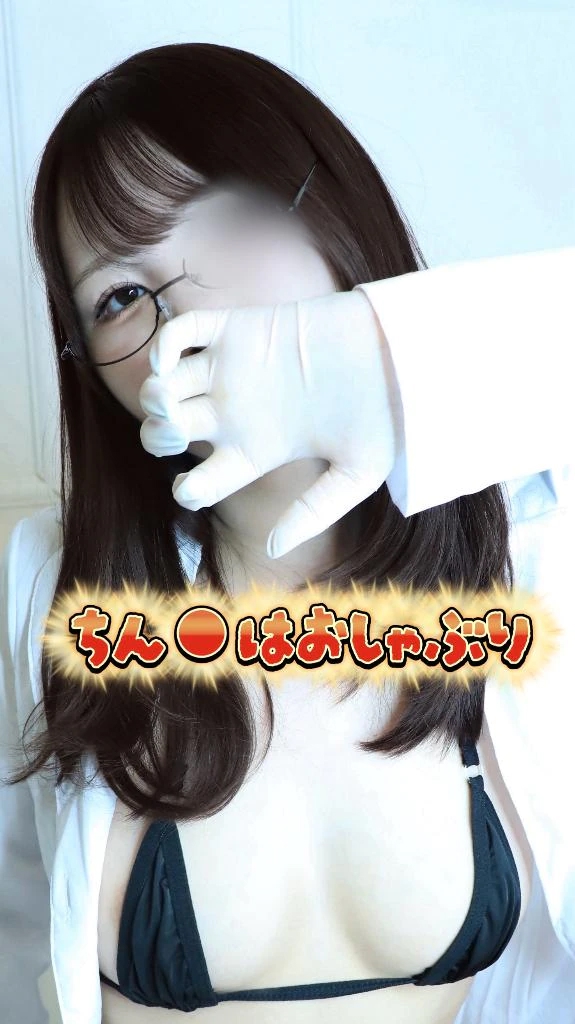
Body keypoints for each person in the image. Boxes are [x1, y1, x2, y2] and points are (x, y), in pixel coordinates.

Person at [0, 41, 573, 1024]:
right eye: (120, 297)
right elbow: (16, 937)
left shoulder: (528, 537)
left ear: (332, 205)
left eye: (231, 222)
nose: (187, 311)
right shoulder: (51, 588)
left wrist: (371, 355)